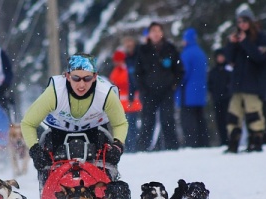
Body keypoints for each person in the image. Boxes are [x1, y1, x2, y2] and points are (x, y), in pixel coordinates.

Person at [21, 53, 128, 187]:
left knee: (107, 165)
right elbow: (28, 123)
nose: (81, 85)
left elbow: (120, 123)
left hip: (95, 130)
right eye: (76, 78)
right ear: (67, 76)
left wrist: (118, 146)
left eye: (87, 78)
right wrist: (35, 150)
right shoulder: (55, 92)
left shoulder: (105, 93)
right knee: (47, 166)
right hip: (58, 130)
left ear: (95, 76)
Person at [224, 7, 266, 153]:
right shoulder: (237, 39)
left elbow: (259, 57)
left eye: (245, 21)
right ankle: (233, 142)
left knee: (254, 114)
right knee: (233, 115)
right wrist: (231, 44)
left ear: (251, 22)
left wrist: (245, 42)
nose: (242, 24)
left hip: (253, 84)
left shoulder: (261, 38)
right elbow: (229, 59)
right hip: (238, 84)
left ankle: (256, 141)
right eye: (239, 21)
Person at [135, 21, 184, 151]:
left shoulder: (170, 48)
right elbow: (138, 72)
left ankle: (172, 147)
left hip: (167, 90)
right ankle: (142, 149)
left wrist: (174, 84)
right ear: (149, 34)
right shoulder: (143, 50)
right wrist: (143, 89)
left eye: (158, 31)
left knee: (168, 119)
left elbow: (179, 69)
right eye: (153, 31)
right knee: (147, 121)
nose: (156, 34)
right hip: (149, 91)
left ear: (162, 33)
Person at [177, 28, 209, 148]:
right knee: (201, 119)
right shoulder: (201, 53)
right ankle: (204, 142)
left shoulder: (186, 53)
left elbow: (183, 73)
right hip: (200, 93)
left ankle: (192, 143)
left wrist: (177, 84)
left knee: (188, 121)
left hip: (188, 93)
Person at [109, 49, 142, 153]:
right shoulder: (118, 70)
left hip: (131, 104)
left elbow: (123, 82)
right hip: (123, 105)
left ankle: (132, 148)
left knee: (131, 128)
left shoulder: (125, 70)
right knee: (127, 128)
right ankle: (128, 148)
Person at [208, 48, 232, 146]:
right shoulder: (213, 71)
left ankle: (231, 139)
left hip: (227, 99)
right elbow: (210, 84)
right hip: (217, 99)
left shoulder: (229, 70)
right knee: (220, 121)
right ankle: (223, 140)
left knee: (229, 120)